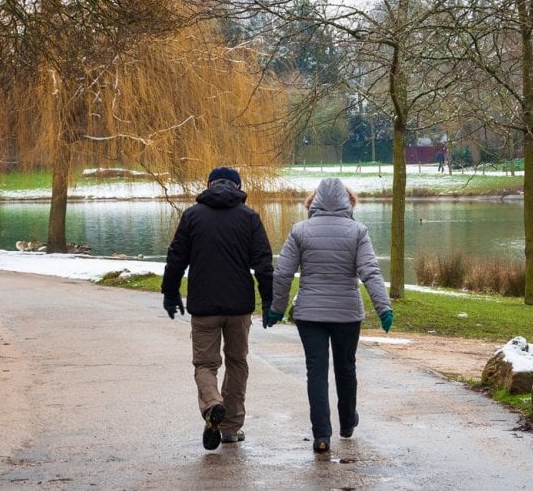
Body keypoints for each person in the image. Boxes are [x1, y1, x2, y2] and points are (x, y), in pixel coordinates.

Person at [265, 178, 393, 453]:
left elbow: (284, 274)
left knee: (317, 372)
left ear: (314, 202)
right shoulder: (358, 231)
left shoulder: (300, 231)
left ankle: (322, 435)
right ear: (349, 203)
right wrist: (383, 307)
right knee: (346, 368)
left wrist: (277, 307)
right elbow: (370, 271)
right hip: (347, 314)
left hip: (310, 314)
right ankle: (347, 423)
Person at [161, 167, 274, 451]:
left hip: (204, 304)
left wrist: (170, 292)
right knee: (237, 362)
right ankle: (231, 428)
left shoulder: (192, 216)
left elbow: (176, 257)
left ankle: (212, 404)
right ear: (238, 187)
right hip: (239, 306)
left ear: (208, 185)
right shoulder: (249, 217)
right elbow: (263, 262)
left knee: (205, 364)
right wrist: (269, 299)